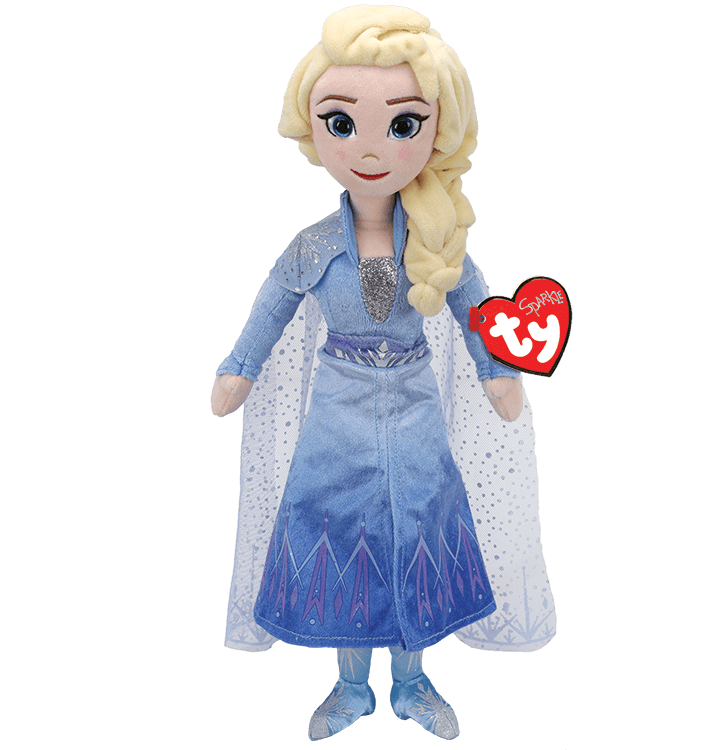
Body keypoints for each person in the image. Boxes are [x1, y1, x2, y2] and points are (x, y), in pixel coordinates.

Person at [211, 6, 555, 741]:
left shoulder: (436, 240)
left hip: (414, 408)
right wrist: (241, 366)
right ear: (314, 129)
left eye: (402, 124)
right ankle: (349, 685)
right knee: (338, 533)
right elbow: (273, 302)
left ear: (437, 131)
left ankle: (412, 678)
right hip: (335, 414)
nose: (370, 148)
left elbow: (472, 301)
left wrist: (496, 371)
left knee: (419, 526)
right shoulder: (314, 246)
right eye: (342, 122)